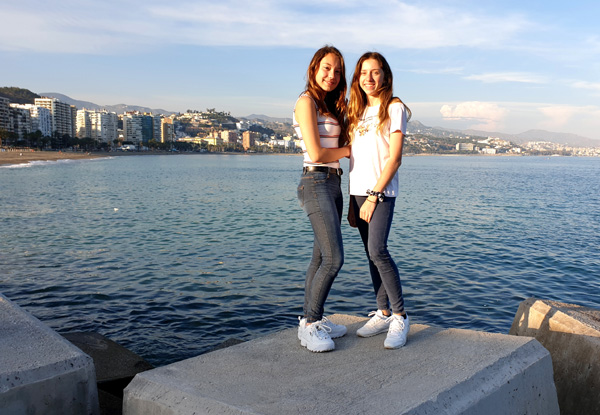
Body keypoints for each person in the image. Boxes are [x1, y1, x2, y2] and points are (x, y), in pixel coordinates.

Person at [347, 52, 412, 349]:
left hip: (380, 192)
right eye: (363, 72)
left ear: (385, 75)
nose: (369, 78)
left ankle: (400, 316)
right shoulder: (357, 110)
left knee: (378, 250)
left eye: (375, 72)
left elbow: (394, 158)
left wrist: (374, 195)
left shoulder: (394, 107)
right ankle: (383, 312)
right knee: (370, 254)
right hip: (357, 192)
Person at [294, 45, 351, 352]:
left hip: (333, 182)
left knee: (319, 258)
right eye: (327, 68)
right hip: (315, 181)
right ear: (314, 69)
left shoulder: (331, 106)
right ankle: (311, 325)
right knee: (334, 258)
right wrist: (348, 151)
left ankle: (310, 319)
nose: (332, 75)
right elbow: (316, 153)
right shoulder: (306, 102)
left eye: (338, 71)